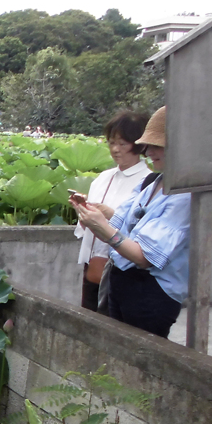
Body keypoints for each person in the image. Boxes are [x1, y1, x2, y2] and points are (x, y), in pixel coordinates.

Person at [70, 107, 191, 338]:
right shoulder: (153, 181)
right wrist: (93, 213)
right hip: (119, 281)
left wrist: (102, 228)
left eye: (158, 146)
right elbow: (122, 222)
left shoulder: (184, 195)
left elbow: (145, 257)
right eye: (149, 145)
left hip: (150, 293)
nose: (150, 152)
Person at [74, 111, 151, 311]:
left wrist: (111, 215)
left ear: (139, 145)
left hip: (123, 272)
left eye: (123, 144)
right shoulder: (103, 178)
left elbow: (144, 232)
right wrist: (83, 213)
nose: (116, 149)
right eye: (111, 143)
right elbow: (84, 230)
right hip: (92, 267)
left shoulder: (149, 182)